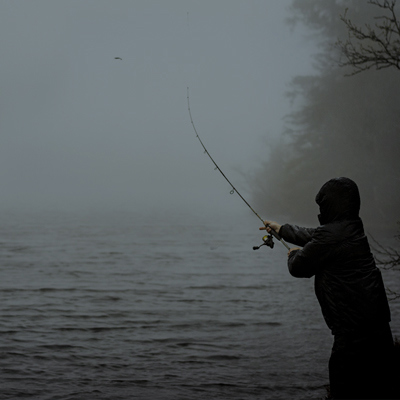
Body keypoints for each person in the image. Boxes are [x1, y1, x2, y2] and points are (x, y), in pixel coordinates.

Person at [260, 177, 397, 399]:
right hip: (378, 328)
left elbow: (299, 267)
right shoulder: (352, 227)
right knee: (381, 388)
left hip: (352, 335)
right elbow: (316, 236)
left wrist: (294, 254)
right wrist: (282, 229)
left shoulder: (332, 236)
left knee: (345, 390)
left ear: (330, 205)